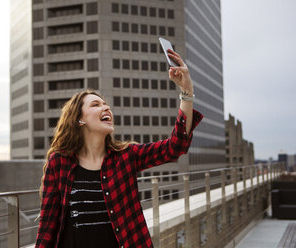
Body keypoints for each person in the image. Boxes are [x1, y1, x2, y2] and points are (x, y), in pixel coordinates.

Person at [35, 49, 203, 248]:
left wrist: (187, 91)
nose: (106, 108)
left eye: (106, 105)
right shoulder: (59, 162)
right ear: (79, 119)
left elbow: (176, 147)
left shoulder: (126, 157)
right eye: (96, 105)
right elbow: (48, 225)